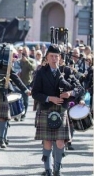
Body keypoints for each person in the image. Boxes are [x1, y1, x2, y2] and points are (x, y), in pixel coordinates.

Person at [32, 44, 84, 176]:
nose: (54, 59)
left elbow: (80, 89)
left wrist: (70, 93)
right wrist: (50, 98)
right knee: (48, 142)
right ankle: (48, 170)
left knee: (60, 142)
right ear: (47, 57)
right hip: (46, 109)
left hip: (61, 110)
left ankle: (57, 170)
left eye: (56, 56)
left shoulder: (66, 71)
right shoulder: (41, 72)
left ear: (60, 57)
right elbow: (35, 93)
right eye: (51, 56)